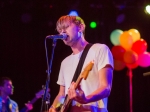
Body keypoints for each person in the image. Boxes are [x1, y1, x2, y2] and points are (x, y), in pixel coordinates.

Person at [49, 15, 114, 112]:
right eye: (60, 29)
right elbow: (62, 94)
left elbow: (106, 88)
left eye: (66, 27)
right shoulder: (64, 62)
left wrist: (86, 99)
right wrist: (53, 107)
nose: (62, 31)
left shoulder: (100, 49)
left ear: (80, 27)